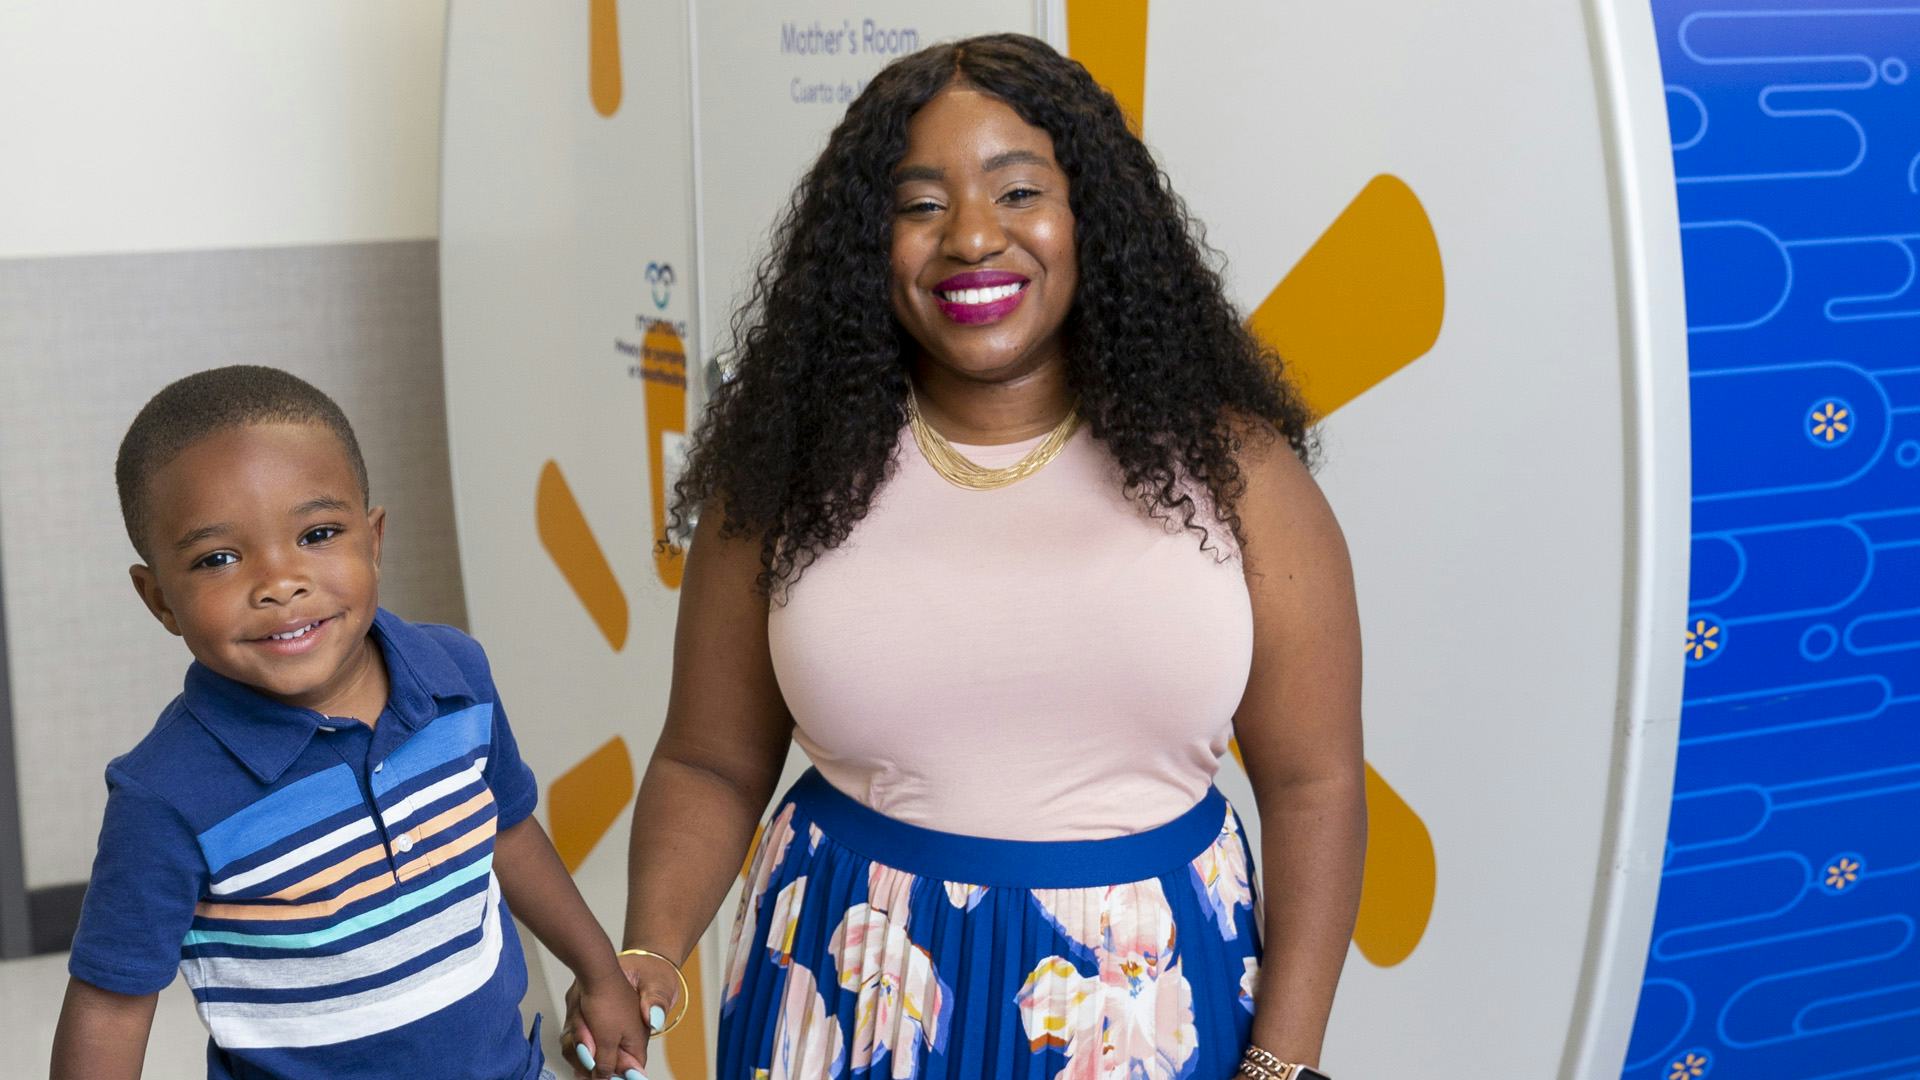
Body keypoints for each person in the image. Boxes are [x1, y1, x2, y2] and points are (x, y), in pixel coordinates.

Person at [565, 33, 1364, 1080]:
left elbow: (1314, 785)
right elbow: (708, 763)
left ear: (1093, 218)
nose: (973, 237)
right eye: (920, 204)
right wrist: (650, 952)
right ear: (869, 243)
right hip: (847, 987)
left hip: (1149, 1004)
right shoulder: (786, 473)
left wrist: (1284, 1062)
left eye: (1018, 191)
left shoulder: (1238, 473)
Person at [50, 366, 651, 1080]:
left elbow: (510, 832)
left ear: (374, 540)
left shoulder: (455, 674)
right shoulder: (165, 794)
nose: (280, 583)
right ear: (159, 600)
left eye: (318, 533)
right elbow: (110, 1008)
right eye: (219, 558)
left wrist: (601, 973)